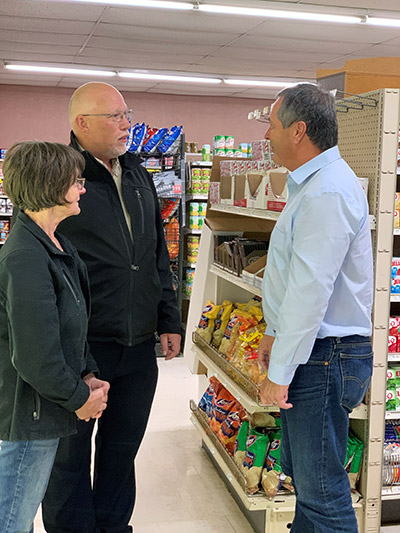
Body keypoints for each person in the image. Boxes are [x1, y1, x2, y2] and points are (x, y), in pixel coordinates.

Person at [42, 82, 181, 533]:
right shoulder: (59, 177)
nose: (128, 124)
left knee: (122, 450)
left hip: (138, 346)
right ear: (81, 124)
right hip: (84, 345)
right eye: (116, 116)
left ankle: (114, 528)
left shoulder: (138, 172)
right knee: (70, 454)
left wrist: (168, 317)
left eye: (128, 114)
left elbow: (157, 251)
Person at [258, 83, 373, 532]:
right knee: (308, 487)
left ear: (299, 130)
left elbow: (310, 293)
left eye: (271, 124)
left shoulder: (326, 193)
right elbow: (293, 280)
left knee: (323, 497)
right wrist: (271, 331)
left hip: (325, 358)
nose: (267, 135)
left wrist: (278, 374)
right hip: (320, 355)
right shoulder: (313, 185)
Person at [0, 141, 110, 533]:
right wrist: (80, 400)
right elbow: (34, 355)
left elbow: (71, 325)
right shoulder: (25, 257)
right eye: (75, 180)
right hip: (27, 416)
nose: (82, 188)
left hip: (43, 407)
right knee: (12, 520)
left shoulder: (56, 246)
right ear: (49, 184)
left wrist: (87, 372)